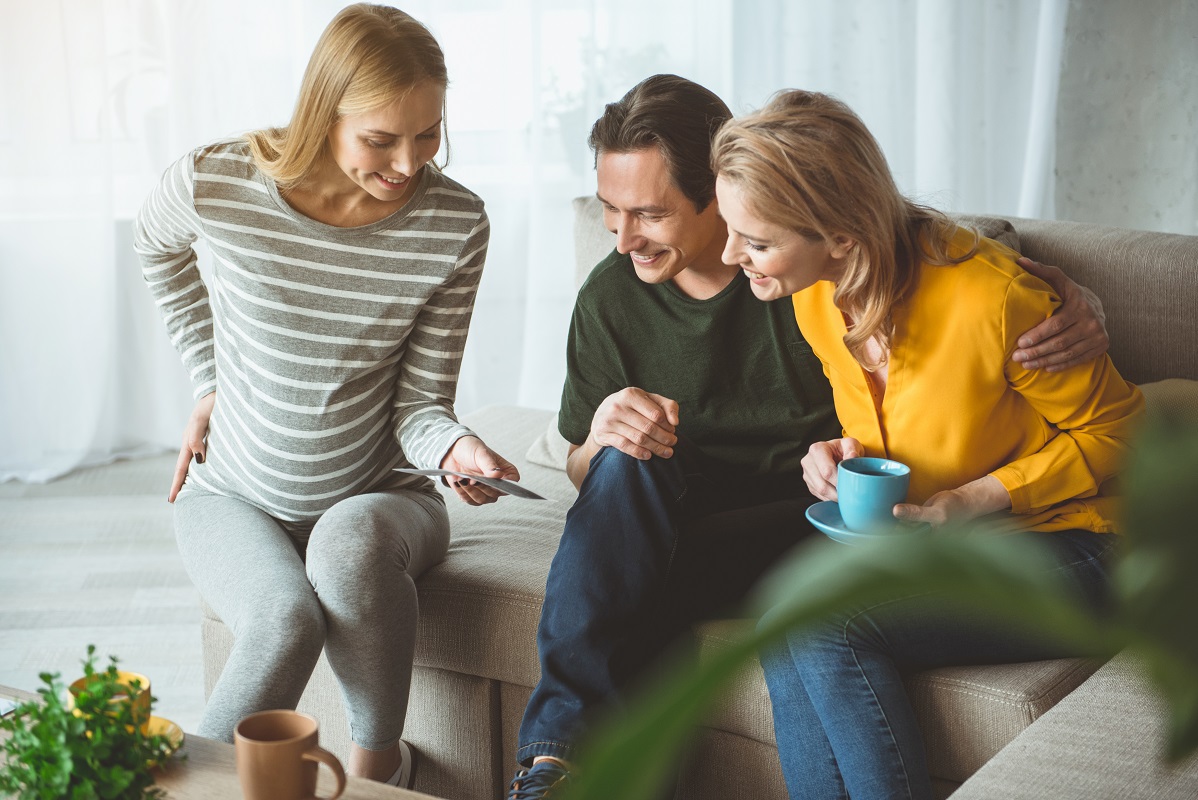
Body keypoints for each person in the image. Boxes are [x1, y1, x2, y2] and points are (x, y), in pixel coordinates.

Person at [506, 75, 1111, 799]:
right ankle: (557, 766)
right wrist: (599, 441)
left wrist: (1074, 301)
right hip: (706, 529)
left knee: (749, 615)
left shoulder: (824, 282)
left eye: (650, 213)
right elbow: (591, 487)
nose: (624, 237)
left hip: (904, 532)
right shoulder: (664, 296)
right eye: (608, 212)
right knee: (639, 496)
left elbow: (927, 270)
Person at [712, 89, 1145, 800]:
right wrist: (836, 451)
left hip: (1087, 549)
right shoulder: (813, 293)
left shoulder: (996, 300)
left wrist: (972, 500)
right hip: (953, 553)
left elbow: (1120, 434)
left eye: (755, 242)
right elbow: (898, 421)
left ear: (842, 236)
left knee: (831, 628)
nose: (732, 255)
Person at [133, 4, 518, 788]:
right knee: (282, 619)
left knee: (345, 547)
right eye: (381, 139)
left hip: (384, 498)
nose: (409, 163)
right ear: (322, 111)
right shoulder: (217, 181)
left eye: (429, 133)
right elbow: (155, 248)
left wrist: (455, 447)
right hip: (232, 496)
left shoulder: (453, 224)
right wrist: (211, 377)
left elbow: (419, 405)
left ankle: (380, 773)